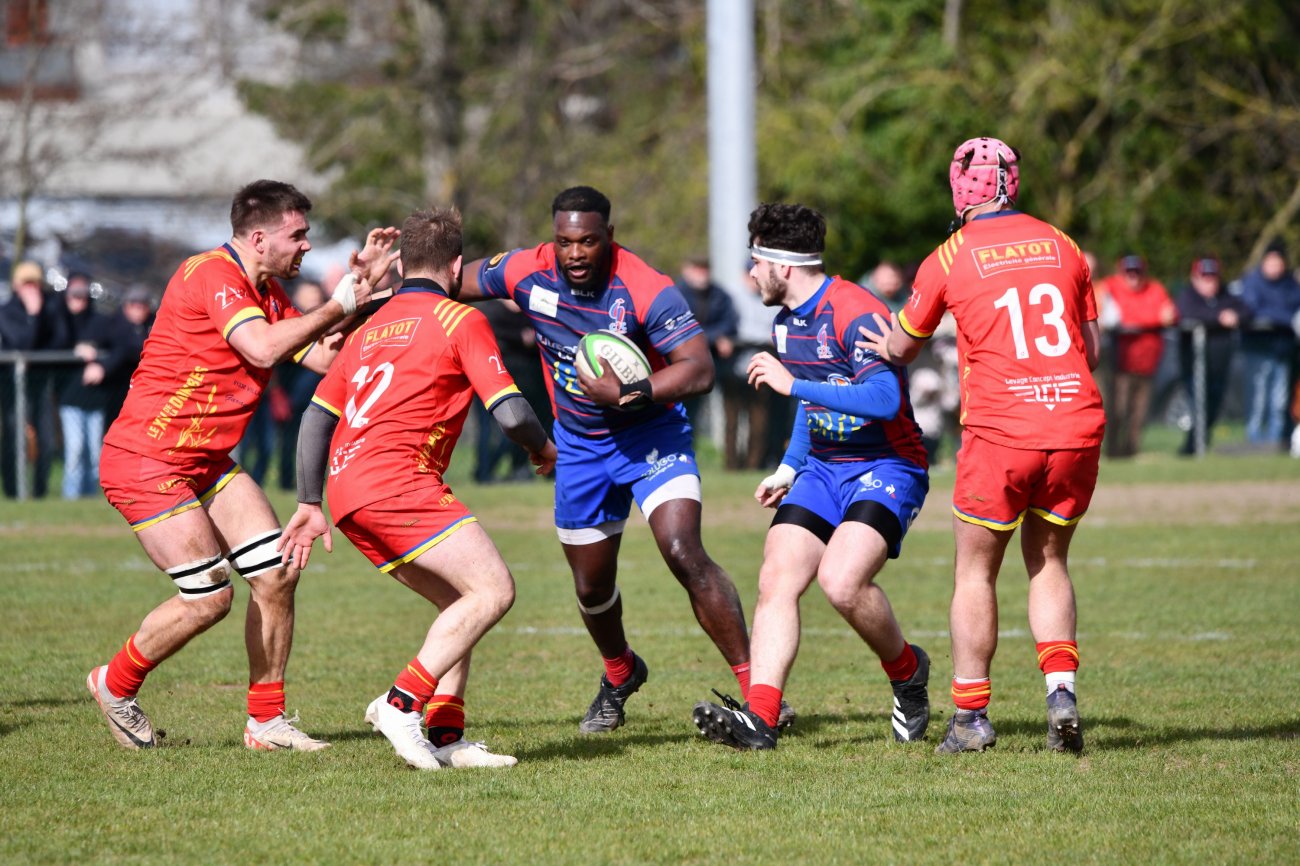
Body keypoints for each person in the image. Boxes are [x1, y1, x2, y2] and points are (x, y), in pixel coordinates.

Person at [457, 185, 786, 733]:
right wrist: (380, 282)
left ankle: (759, 693)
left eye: (588, 241)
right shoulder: (525, 272)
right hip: (580, 448)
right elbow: (450, 279)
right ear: (553, 239)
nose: (576, 254)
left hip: (652, 436)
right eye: (565, 242)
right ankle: (620, 672)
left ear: (609, 237)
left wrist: (629, 395)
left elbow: (699, 369)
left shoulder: (644, 288)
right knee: (591, 586)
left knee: (683, 551)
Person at [87, 179, 394, 751]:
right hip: (146, 459)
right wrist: (337, 304)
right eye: (297, 235)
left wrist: (367, 295)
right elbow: (260, 349)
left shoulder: (268, 293)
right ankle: (114, 683)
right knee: (209, 596)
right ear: (259, 238)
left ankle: (266, 723)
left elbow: (322, 356)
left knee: (277, 572)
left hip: (206, 460)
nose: (306, 246)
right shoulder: (210, 273)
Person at [278, 207, 556, 770]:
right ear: (457, 266)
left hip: (348, 490)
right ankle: (400, 703)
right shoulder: (461, 320)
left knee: (460, 604)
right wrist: (543, 450)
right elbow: (510, 413)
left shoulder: (369, 328)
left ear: (403, 262)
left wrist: (310, 502)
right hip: (397, 482)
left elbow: (315, 417)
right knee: (493, 592)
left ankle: (447, 734)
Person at [859, 137, 1105, 754]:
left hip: (1000, 433)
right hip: (1074, 426)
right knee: (1048, 561)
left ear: (958, 189)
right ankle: (1060, 693)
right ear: (1014, 184)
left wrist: (879, 343)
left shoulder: (950, 254)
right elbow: (1091, 352)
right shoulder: (1064, 244)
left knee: (975, 571)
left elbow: (905, 344)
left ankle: (970, 718)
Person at [691, 203, 931, 750]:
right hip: (822, 468)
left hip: (887, 465)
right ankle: (761, 718)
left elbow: (884, 397)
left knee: (842, 583)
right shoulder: (786, 323)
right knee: (777, 577)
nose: (751, 275)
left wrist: (791, 385)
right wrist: (788, 467)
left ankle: (907, 671)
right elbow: (810, 406)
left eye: (755, 263)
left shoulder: (856, 311)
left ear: (784, 267)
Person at [0, 260, 70, 499]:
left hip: (41, 385)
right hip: (13, 385)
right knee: (14, 438)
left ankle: (39, 491)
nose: (32, 289)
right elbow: (22, 344)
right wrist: (32, 316)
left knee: (46, 441)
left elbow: (60, 340)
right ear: (17, 286)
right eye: (26, 284)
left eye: (35, 284)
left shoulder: (50, 309)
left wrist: (38, 315)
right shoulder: (7, 311)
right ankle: (12, 491)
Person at [1097, 255, 1177, 458]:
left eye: (1137, 272)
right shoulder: (1110, 287)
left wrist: (1138, 321)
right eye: (1129, 272)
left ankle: (1130, 451)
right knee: (1118, 410)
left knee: (1139, 413)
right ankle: (1113, 452)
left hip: (1148, 362)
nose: (1133, 277)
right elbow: (1106, 317)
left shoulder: (1155, 289)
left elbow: (1168, 315)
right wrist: (1147, 321)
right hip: (1119, 363)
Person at [1174, 256, 1250, 456]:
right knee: (1199, 407)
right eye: (1204, 277)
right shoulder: (1188, 296)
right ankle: (1192, 448)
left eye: (1212, 277)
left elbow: (1245, 311)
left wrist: (1234, 317)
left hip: (1219, 365)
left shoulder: (1226, 296)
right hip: (1194, 365)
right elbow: (1187, 313)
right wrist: (1218, 318)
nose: (1209, 282)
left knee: (1213, 408)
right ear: (1195, 278)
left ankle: (1195, 446)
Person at [473, 297, 551, 483]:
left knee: (525, 426)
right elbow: (486, 337)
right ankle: (484, 472)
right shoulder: (489, 310)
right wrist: (520, 337)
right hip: (494, 379)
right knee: (494, 431)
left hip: (530, 380)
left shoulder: (531, 307)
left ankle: (518, 469)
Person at [58, 272, 114, 498]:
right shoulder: (60, 319)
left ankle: (92, 497)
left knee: (94, 453)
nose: (78, 299)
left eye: (82, 294)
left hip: (96, 398)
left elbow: (118, 346)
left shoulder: (100, 321)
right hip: (70, 398)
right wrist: (76, 350)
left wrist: (99, 362)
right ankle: (71, 497)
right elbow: (53, 342)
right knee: (75, 449)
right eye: (73, 294)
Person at [1239, 240, 1300, 448]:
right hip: (1258, 347)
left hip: (1282, 349)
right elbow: (1253, 311)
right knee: (1258, 394)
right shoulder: (1252, 282)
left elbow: (1294, 310)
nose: (1275, 266)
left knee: (1280, 397)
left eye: (1278, 262)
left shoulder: (1290, 284)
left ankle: (1276, 438)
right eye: (1271, 262)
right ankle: (1254, 437)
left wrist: (1278, 318)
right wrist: (1281, 318)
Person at [675, 255, 739, 439]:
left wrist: (720, 336)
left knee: (730, 408)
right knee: (687, 411)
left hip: (717, 362)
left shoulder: (719, 294)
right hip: (684, 362)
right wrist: (714, 337)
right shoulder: (675, 294)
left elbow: (730, 322)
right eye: (698, 269)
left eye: (705, 269)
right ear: (686, 270)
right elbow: (682, 327)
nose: (702, 275)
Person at [275, 279, 328, 490]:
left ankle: (315, 482)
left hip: (318, 397)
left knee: (317, 441)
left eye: (317, 297)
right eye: (310, 297)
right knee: (289, 441)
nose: (315, 301)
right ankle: (286, 482)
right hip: (292, 396)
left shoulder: (325, 327)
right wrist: (278, 394)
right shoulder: (290, 326)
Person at [100, 285, 154, 429]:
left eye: (142, 306)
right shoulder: (114, 324)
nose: (138, 310)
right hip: (116, 388)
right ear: (126, 307)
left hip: (145, 390)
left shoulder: (153, 324)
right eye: (134, 305)